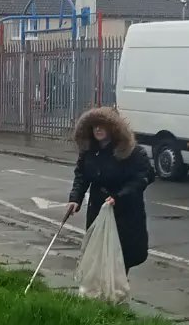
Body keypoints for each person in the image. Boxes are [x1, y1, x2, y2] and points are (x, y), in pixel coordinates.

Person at [64, 106, 153, 272]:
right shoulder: (90, 151)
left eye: (102, 125)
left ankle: (115, 292)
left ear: (114, 127)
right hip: (98, 209)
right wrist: (75, 199)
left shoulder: (133, 152)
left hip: (124, 213)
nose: (98, 129)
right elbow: (82, 176)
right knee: (98, 256)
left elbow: (142, 178)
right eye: (94, 125)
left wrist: (119, 197)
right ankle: (99, 294)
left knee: (120, 259)